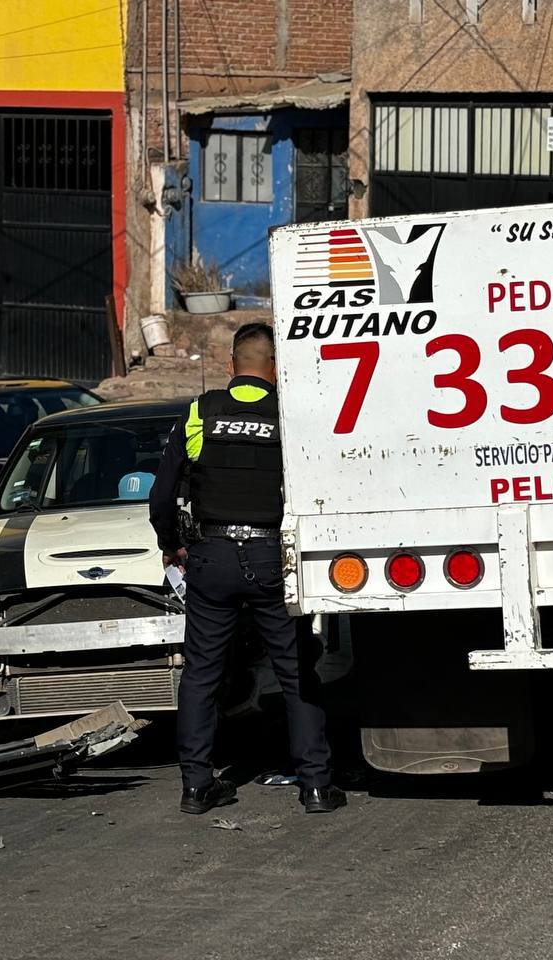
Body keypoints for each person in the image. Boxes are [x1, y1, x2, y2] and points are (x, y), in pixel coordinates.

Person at [149, 322, 346, 816]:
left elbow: (161, 496)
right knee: (295, 669)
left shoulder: (200, 411)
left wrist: (172, 545)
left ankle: (196, 786)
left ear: (232, 366)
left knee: (201, 674)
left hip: (211, 557)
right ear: (275, 369)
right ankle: (316, 786)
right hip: (272, 557)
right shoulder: (290, 416)